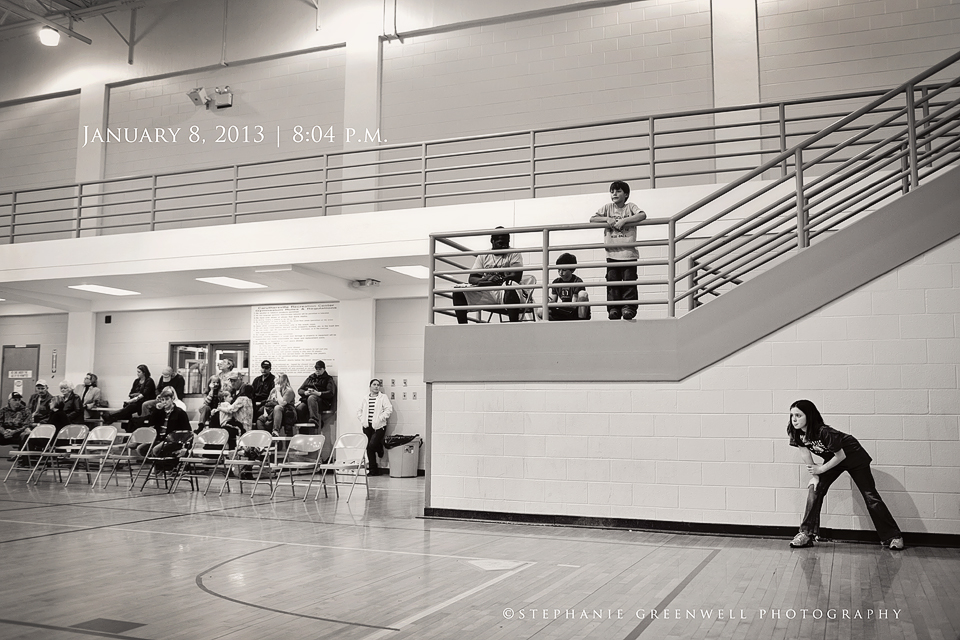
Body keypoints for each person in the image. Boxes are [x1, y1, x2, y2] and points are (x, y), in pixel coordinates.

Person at [786, 399, 904, 550]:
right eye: (792, 415)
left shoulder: (824, 432)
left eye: (798, 415)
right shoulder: (796, 432)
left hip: (854, 456)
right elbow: (805, 453)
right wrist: (815, 476)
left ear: (809, 416)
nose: (794, 419)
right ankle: (806, 534)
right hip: (833, 459)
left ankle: (893, 536)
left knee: (870, 496)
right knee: (814, 489)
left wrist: (821, 470)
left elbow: (841, 456)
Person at [452, 228, 535, 324]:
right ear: (492, 241)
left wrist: (497, 279)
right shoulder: (483, 256)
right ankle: (463, 329)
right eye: (500, 243)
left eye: (506, 243)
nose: (504, 246)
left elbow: (516, 276)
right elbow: (472, 278)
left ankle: (514, 326)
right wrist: (486, 279)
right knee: (458, 291)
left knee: (510, 286)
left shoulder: (514, 253)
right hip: (488, 292)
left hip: (505, 292)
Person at [590, 180, 647, 320]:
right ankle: (614, 309)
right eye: (612, 191)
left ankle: (629, 308)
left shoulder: (630, 207)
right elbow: (592, 219)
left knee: (629, 283)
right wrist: (607, 219)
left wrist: (624, 221)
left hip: (629, 254)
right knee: (612, 283)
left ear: (626, 194)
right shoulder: (608, 208)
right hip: (612, 253)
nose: (614, 193)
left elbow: (642, 215)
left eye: (618, 191)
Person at [536, 252, 591, 321]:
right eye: (559, 269)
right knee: (540, 311)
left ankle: (582, 322)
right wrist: (550, 302)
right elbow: (553, 300)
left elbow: (573, 305)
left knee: (583, 294)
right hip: (563, 311)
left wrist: (558, 305)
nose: (560, 273)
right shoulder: (556, 282)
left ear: (572, 269)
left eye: (564, 270)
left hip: (574, 312)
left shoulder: (577, 281)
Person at [209, 371, 254, 448]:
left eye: (234, 381)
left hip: (242, 426)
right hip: (240, 425)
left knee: (220, 429)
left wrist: (219, 408)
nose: (232, 383)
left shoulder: (242, 399)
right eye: (231, 381)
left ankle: (213, 447)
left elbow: (230, 409)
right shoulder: (248, 399)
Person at [358, 378, 393, 476]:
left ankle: (380, 448)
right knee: (369, 448)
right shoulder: (365, 398)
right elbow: (359, 411)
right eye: (374, 384)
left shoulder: (383, 397)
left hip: (379, 426)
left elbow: (388, 409)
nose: (376, 386)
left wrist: (381, 418)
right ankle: (373, 470)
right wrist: (362, 419)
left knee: (372, 445)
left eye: (378, 385)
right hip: (367, 426)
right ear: (370, 387)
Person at [296, 360, 337, 429]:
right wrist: (305, 392)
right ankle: (304, 428)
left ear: (324, 369)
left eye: (320, 369)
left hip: (322, 401)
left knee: (312, 398)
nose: (317, 371)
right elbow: (300, 390)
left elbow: (330, 393)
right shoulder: (310, 378)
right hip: (308, 400)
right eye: (316, 369)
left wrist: (318, 393)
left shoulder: (328, 379)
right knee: (299, 408)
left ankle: (314, 420)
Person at [196, 358, 235, 428]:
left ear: (229, 365)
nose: (220, 363)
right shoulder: (218, 376)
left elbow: (231, 390)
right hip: (214, 399)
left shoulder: (233, 376)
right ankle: (201, 426)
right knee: (205, 407)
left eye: (224, 362)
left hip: (226, 402)